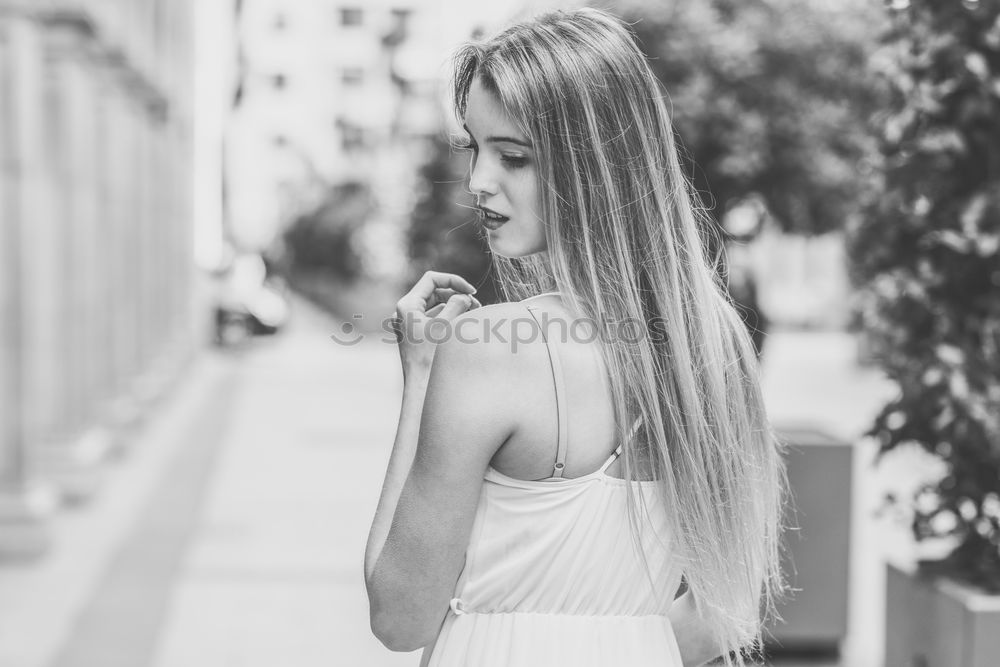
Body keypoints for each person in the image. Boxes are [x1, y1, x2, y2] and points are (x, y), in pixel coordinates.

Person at [364, 8, 789, 667]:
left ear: (594, 164)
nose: (479, 181)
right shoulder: (714, 341)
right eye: (475, 148)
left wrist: (420, 371)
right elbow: (725, 613)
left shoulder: (489, 347)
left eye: (514, 157)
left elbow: (400, 612)